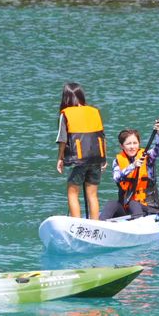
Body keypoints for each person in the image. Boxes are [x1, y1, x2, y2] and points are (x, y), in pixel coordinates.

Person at [56, 82, 107, 220]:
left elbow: (63, 140)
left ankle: (77, 223)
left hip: (79, 159)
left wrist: (60, 158)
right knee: (92, 194)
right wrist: (104, 159)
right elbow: (101, 136)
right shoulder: (94, 111)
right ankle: (95, 223)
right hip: (97, 157)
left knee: (72, 192)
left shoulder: (66, 114)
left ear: (66, 98)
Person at [99, 120, 159, 220]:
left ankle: (139, 226)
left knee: (134, 204)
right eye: (128, 144)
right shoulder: (117, 161)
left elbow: (157, 150)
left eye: (135, 143)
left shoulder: (148, 157)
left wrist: (158, 133)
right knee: (111, 204)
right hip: (126, 207)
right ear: (122, 146)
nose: (132, 147)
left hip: (148, 206)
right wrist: (132, 166)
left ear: (139, 143)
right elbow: (117, 178)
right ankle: (99, 226)